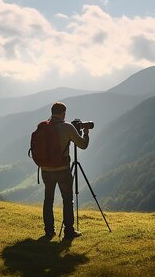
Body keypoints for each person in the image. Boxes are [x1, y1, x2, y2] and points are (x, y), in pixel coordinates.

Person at [41, 102, 89, 240]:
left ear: (52, 112)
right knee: (67, 200)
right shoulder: (67, 127)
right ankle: (69, 231)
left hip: (45, 169)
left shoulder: (44, 127)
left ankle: (49, 231)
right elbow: (83, 145)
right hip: (62, 169)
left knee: (48, 200)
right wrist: (85, 133)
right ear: (63, 113)